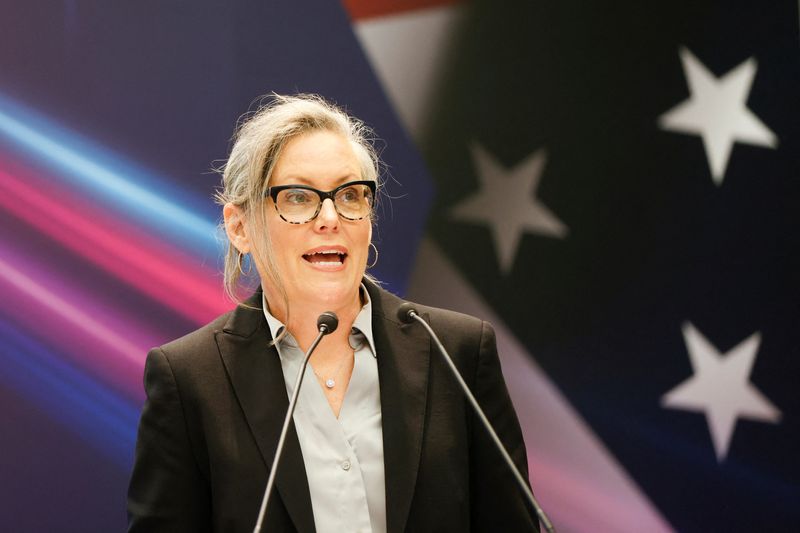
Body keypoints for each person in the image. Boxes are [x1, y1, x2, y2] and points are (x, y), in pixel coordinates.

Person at [127, 94, 538, 532]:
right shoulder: (190, 379)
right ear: (240, 227)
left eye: (350, 195)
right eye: (299, 197)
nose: (329, 217)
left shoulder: (457, 352)